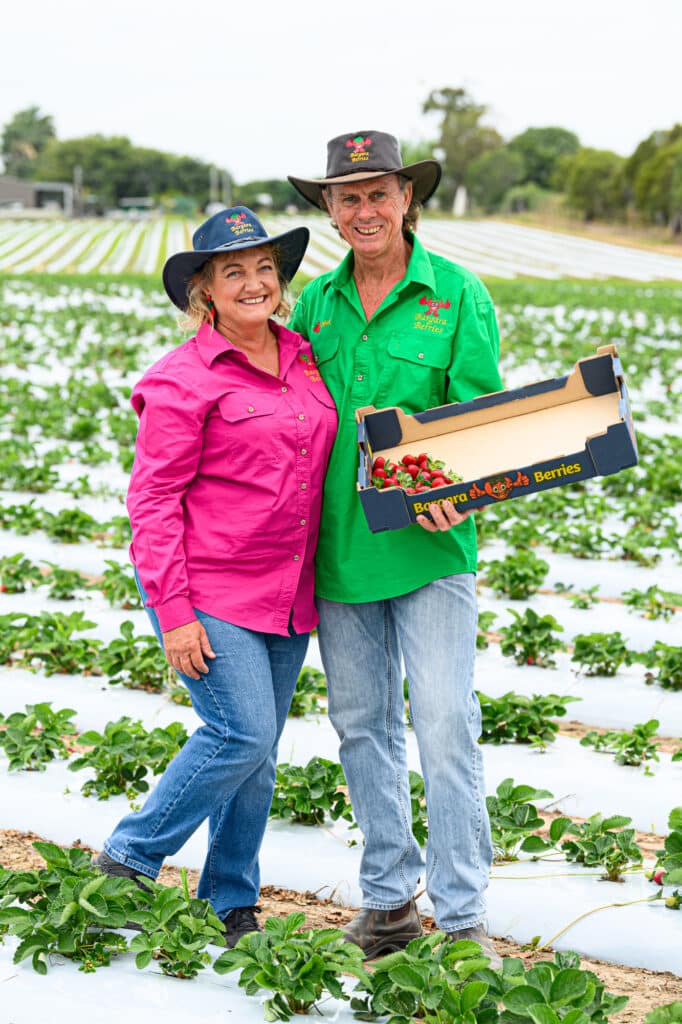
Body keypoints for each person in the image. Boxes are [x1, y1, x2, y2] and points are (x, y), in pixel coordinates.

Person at [93, 206, 337, 946]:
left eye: (265, 267)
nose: (254, 282)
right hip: (210, 588)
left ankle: (230, 896)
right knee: (241, 732)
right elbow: (153, 500)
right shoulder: (182, 380)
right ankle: (130, 855)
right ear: (204, 291)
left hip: (287, 590)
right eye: (233, 271)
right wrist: (174, 612)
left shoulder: (302, 356)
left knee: (258, 755)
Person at [287, 132, 503, 965]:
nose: (364, 210)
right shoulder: (315, 304)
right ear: (331, 211)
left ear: (407, 199)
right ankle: (387, 901)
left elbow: (480, 423)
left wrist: (460, 487)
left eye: (379, 194)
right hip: (340, 553)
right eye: (349, 198)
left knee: (446, 722)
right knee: (361, 726)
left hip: (430, 554)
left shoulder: (455, 294)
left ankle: (461, 916)